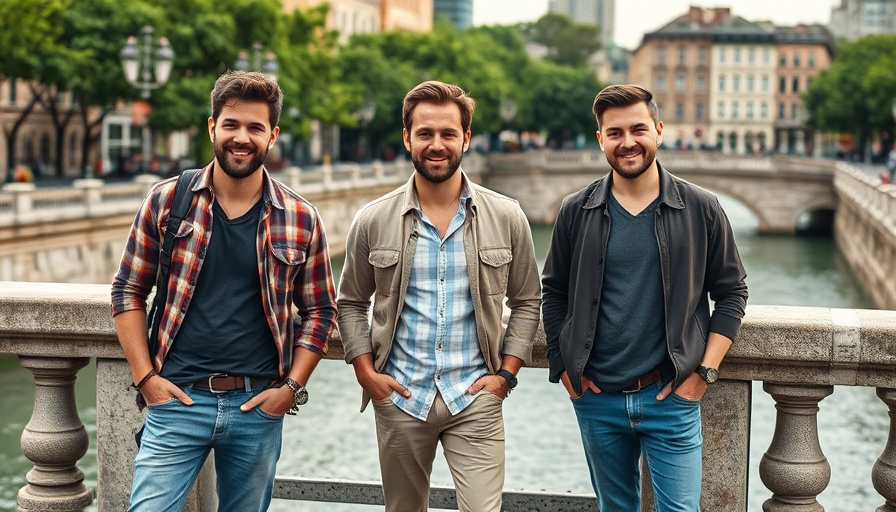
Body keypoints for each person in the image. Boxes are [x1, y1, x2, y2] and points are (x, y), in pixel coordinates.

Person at [110, 70, 337, 512]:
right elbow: (128, 291)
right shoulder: (166, 201)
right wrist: (145, 378)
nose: (241, 137)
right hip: (177, 398)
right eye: (231, 125)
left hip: (257, 407)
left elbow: (321, 312)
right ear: (212, 127)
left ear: (272, 135)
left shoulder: (301, 217)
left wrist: (291, 387)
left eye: (255, 127)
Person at [541, 84, 748, 511]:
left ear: (658, 130)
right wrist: (564, 370)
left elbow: (732, 293)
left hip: (670, 397)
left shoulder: (701, 207)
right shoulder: (575, 211)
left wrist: (703, 374)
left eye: (638, 129)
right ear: (600, 139)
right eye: (614, 133)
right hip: (597, 400)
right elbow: (554, 292)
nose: (628, 142)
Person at [336, 80, 542, 512]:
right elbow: (351, 301)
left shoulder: (507, 215)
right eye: (425, 133)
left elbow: (527, 300)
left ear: (466, 138)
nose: (437, 144)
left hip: (476, 396)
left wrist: (504, 376)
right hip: (400, 396)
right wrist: (366, 374)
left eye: (448, 133)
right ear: (407, 137)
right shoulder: (373, 219)